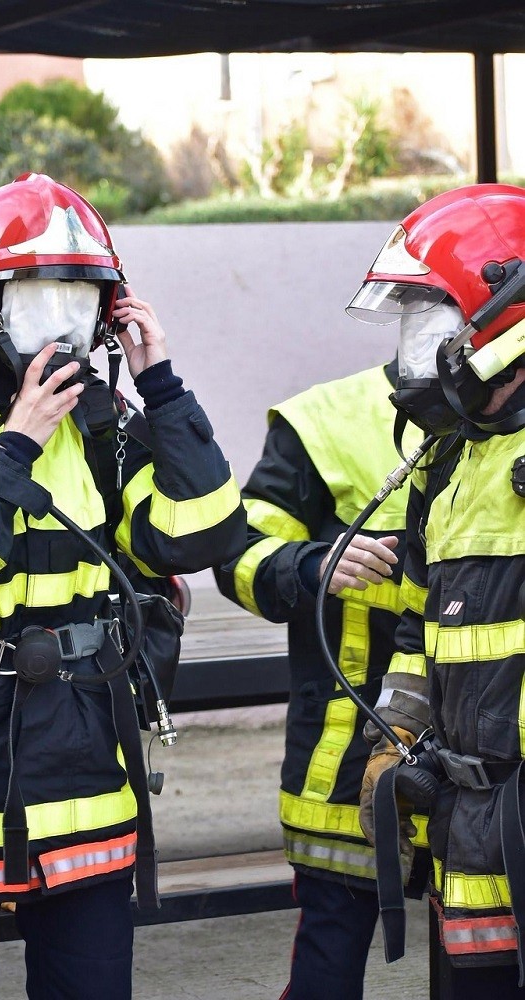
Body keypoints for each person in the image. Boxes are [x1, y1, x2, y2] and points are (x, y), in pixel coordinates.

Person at [0, 171, 246, 1000]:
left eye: (80, 295)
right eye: (37, 292)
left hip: (86, 786)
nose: (61, 318)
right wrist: (15, 449)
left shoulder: (107, 423)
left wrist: (165, 388)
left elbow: (204, 534)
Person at [351, 183, 525, 998]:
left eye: (430, 324)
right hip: (473, 832)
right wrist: (397, 734)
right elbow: (422, 637)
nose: (411, 354)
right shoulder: (451, 464)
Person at [213, 355, 430, 1000]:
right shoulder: (327, 421)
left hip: (496, 749)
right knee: (330, 962)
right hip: (348, 758)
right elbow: (236, 556)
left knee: (486, 956)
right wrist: (312, 564)